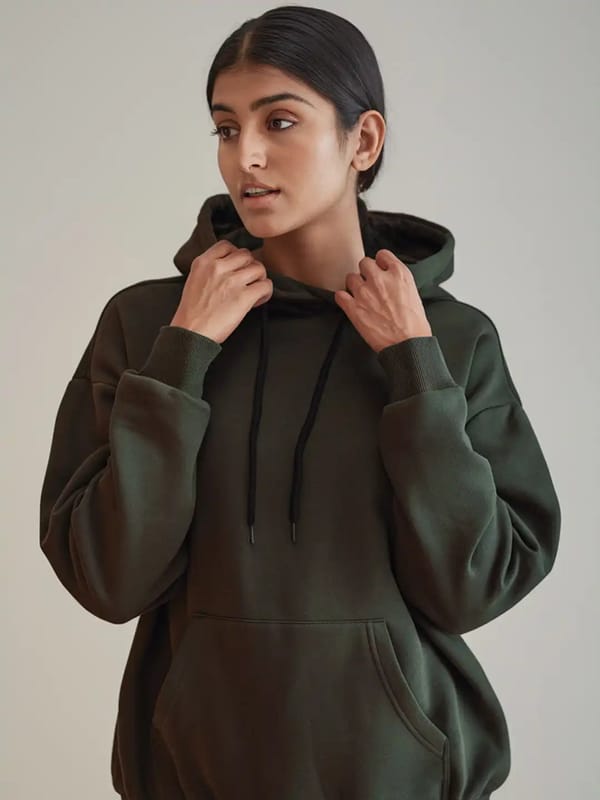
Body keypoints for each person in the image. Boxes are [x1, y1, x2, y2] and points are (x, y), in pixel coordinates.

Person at [39, 5, 561, 799]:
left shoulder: (450, 340)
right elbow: (108, 579)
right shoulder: (149, 325)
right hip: (193, 777)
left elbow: (474, 587)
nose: (245, 156)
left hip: (399, 780)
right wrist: (182, 358)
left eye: (279, 121)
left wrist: (414, 370)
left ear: (363, 140)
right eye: (226, 128)